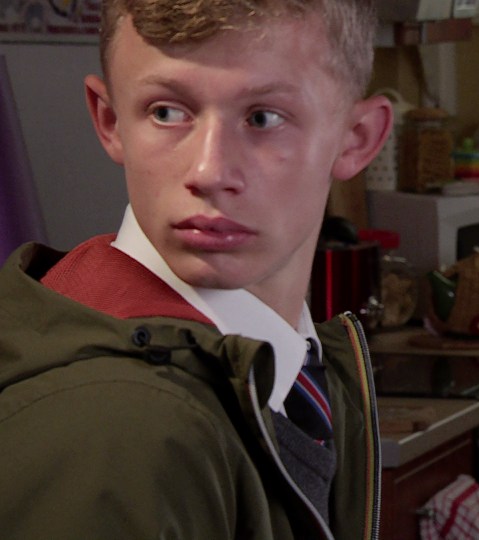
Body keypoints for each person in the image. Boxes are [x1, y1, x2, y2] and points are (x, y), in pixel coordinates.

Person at [0, 0, 392, 538]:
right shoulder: (124, 430)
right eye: (167, 111)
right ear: (109, 119)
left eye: (263, 118)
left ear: (357, 139)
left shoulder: (295, 365)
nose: (208, 171)